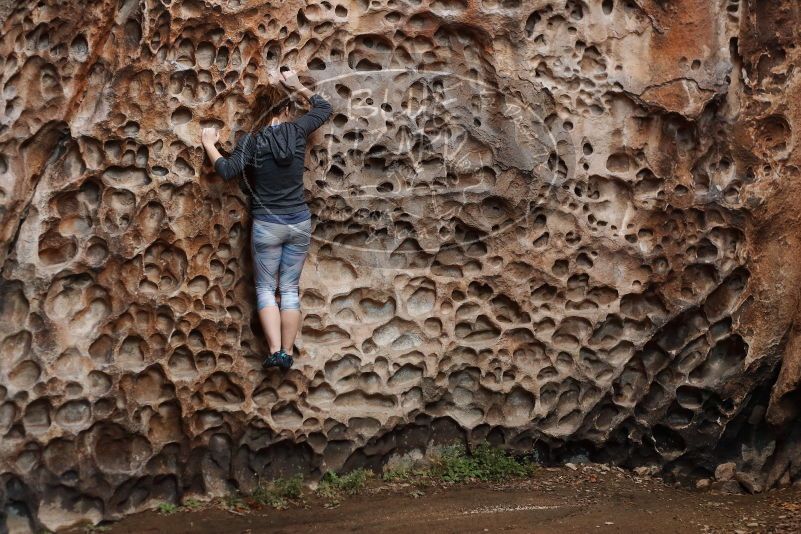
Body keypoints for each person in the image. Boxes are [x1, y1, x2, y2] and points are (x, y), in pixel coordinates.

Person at [201, 68, 332, 370]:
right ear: (286, 109)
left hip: (267, 226)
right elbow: (324, 108)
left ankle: (276, 353)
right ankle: (288, 349)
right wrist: (296, 85)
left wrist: (209, 143)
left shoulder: (251, 142)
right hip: (298, 222)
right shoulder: (298, 131)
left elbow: (227, 171)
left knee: (264, 290)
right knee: (288, 290)